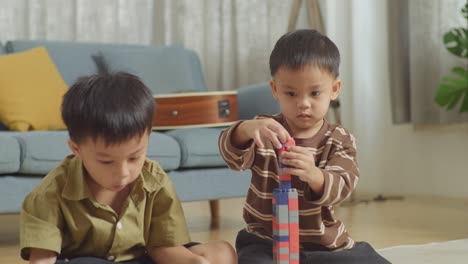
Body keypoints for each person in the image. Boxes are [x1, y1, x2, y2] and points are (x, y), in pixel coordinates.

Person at [20, 72, 237, 264]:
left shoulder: (154, 181)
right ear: (76, 149)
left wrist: (194, 262)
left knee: (222, 252)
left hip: (142, 256)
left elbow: (162, 247)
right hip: (84, 260)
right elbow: (43, 258)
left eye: (134, 157)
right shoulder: (49, 194)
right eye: (106, 161)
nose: (123, 172)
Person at [218, 29, 390, 264]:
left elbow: (343, 185)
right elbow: (231, 157)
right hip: (266, 242)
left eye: (315, 93)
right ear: (275, 89)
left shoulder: (339, 139)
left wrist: (315, 175)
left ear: (334, 89)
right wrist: (245, 129)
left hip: (323, 246)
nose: (303, 104)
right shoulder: (265, 130)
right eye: (291, 93)